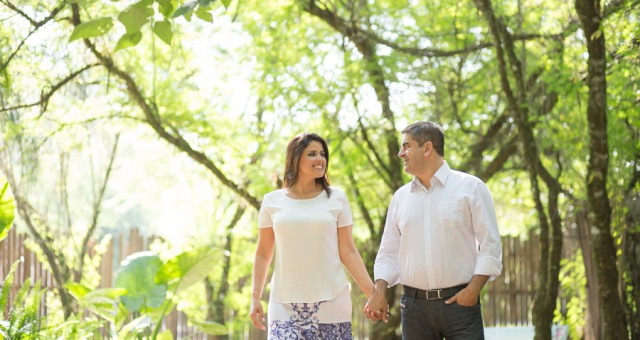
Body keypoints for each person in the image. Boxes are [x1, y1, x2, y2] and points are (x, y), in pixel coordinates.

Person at [365, 121, 503, 339]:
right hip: (414, 310)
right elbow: (388, 252)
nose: (401, 153)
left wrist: (473, 289)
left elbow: (490, 245)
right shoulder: (400, 198)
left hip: (461, 306)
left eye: (406, 146)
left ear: (427, 148)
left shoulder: (471, 188)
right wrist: (379, 291)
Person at [250, 132, 375, 339]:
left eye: (323, 154)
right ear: (295, 158)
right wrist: (255, 297)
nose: (320, 159)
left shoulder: (337, 198)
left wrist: (372, 293)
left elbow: (348, 250)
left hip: (332, 300)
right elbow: (263, 252)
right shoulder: (272, 201)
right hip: (284, 302)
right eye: (312, 154)